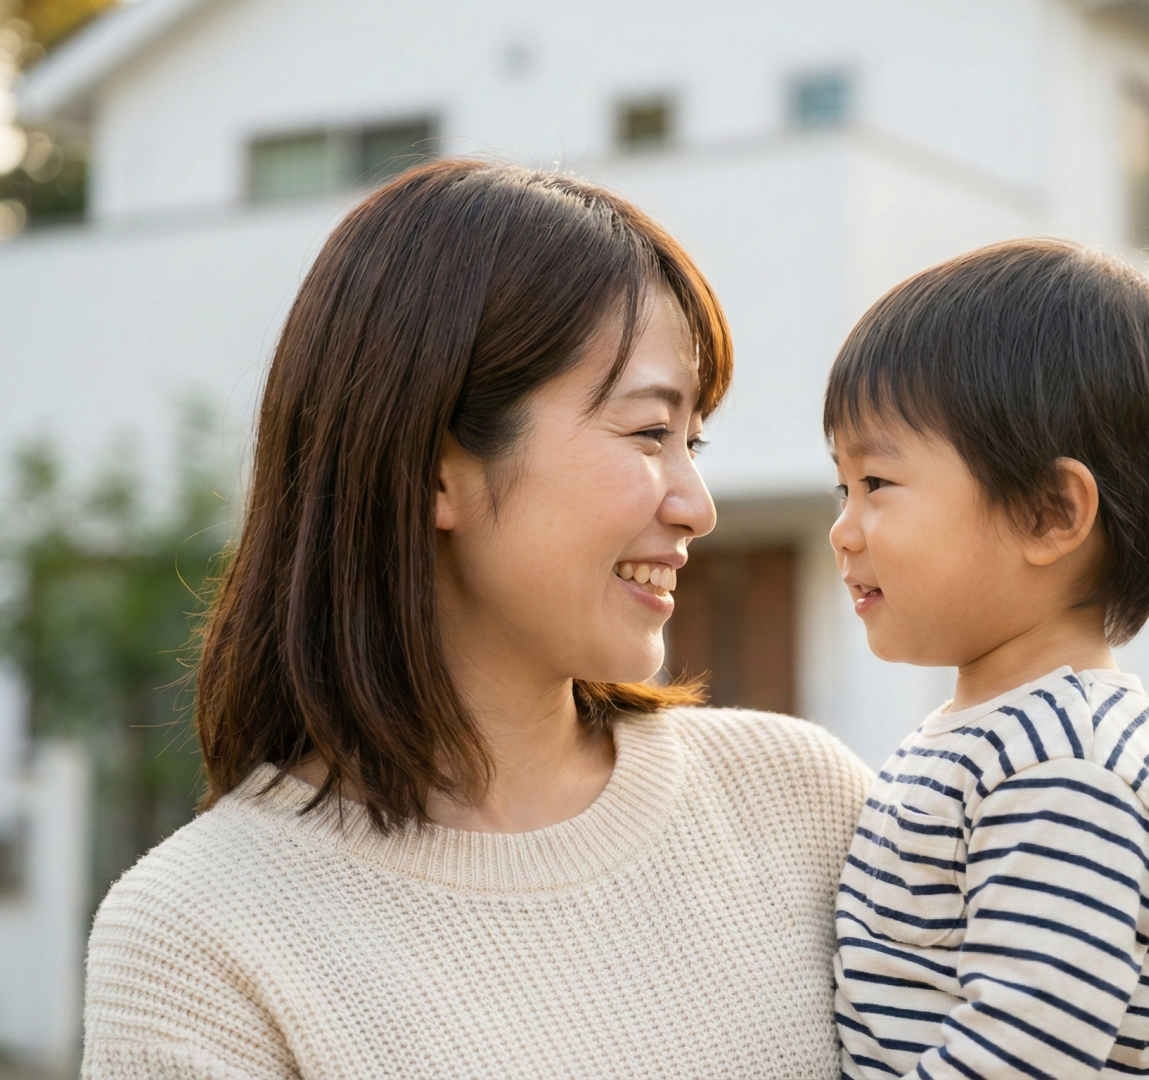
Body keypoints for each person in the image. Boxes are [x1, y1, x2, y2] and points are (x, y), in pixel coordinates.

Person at [80, 160, 873, 1077]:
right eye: (649, 433)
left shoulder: (800, 804)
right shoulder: (196, 938)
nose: (698, 505)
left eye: (691, 442)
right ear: (434, 468)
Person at [824, 239, 1149, 1079]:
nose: (844, 528)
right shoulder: (994, 735)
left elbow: (1021, 1050)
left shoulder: (1066, 767)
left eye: (878, 485)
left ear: (1049, 513)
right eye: (843, 488)